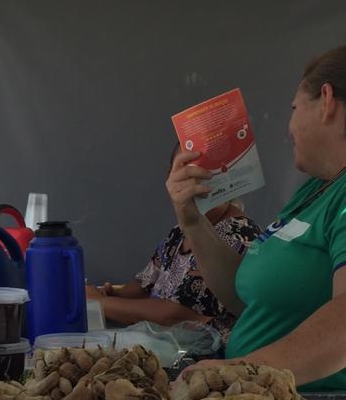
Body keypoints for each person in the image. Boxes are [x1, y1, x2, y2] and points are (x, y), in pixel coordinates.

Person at [166, 45, 346, 392]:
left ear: (326, 101)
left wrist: (242, 372)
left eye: (295, 108)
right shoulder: (317, 190)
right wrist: (191, 219)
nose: (289, 127)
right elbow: (247, 300)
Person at [88, 144, 260, 340]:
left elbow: (175, 316)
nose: (198, 181)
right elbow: (140, 286)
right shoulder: (179, 233)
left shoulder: (238, 233)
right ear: (170, 178)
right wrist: (109, 297)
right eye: (187, 172)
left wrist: (100, 304)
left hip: (207, 364)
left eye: (207, 171)